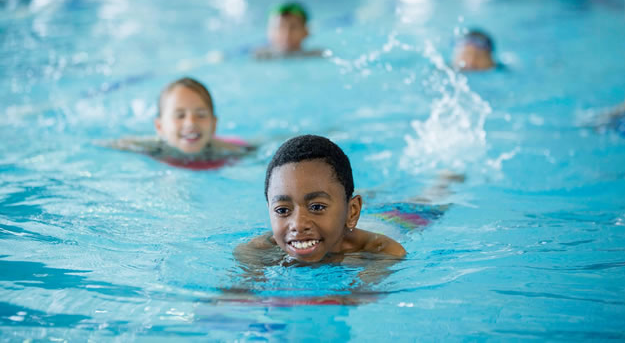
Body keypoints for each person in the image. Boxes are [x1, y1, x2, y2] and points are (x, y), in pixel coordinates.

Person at [235, 134, 406, 265]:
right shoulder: (257, 253)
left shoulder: (380, 252)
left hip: (396, 221)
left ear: (352, 212)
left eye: (317, 207)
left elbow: (359, 297)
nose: (298, 224)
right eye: (282, 210)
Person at [103, 77, 253, 169]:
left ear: (214, 124)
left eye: (201, 115)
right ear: (160, 127)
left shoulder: (230, 151)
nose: (190, 122)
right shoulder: (152, 148)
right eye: (180, 115)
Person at [254, 2, 324, 60]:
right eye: (279, 27)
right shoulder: (259, 56)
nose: (286, 34)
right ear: (269, 32)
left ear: (306, 32)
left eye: (293, 27)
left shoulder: (316, 55)